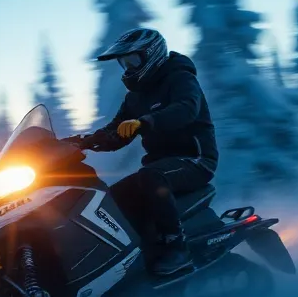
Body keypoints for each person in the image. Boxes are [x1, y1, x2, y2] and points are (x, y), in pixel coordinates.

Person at [71, 27, 218, 277]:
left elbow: (186, 109)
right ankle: (139, 253)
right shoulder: (135, 97)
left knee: (151, 177)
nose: (128, 66)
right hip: (160, 165)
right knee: (111, 197)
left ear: (152, 55)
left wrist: (146, 122)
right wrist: (79, 142)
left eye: (133, 59)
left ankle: (176, 247)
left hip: (195, 159)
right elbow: (115, 133)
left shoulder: (180, 78)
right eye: (123, 62)